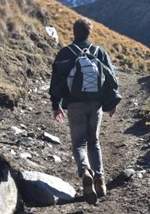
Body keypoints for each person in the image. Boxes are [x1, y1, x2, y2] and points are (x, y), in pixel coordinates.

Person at [49, 17, 121, 205]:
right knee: (94, 141)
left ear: (73, 32)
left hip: (74, 104)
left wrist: (56, 105)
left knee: (79, 143)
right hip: (96, 104)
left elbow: (56, 80)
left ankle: (85, 171)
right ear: (89, 33)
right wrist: (112, 102)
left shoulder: (66, 52)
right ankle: (100, 180)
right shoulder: (99, 52)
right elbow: (111, 78)